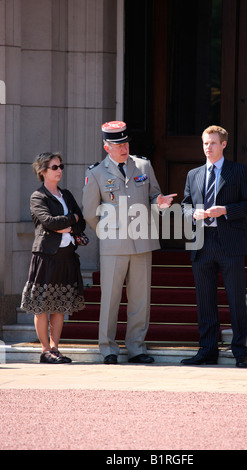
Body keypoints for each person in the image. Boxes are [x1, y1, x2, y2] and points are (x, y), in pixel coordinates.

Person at [82, 121, 176, 364]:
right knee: (110, 298)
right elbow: (90, 213)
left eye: (125, 143)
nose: (123, 148)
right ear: (107, 148)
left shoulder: (143, 165)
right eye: (117, 145)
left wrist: (160, 202)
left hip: (142, 242)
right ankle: (108, 348)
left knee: (140, 299)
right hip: (114, 245)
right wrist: (107, 233)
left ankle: (136, 347)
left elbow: (154, 194)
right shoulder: (96, 173)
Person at [181, 126, 247, 368]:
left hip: (230, 244)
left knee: (236, 299)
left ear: (223, 144)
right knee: (205, 300)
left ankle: (240, 351)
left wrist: (225, 210)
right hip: (202, 244)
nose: (208, 147)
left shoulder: (238, 171)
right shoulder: (193, 174)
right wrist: (194, 213)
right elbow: (184, 205)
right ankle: (207, 350)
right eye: (205, 143)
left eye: (213, 143)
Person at [21, 152, 86, 364]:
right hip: (47, 256)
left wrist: (68, 223)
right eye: (55, 167)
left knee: (60, 304)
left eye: (61, 166)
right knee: (42, 305)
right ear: (43, 172)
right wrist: (69, 220)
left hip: (67, 254)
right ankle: (45, 349)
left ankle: (56, 348)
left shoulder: (66, 194)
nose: (60, 170)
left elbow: (81, 221)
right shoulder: (38, 196)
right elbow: (49, 221)